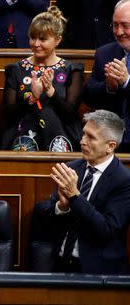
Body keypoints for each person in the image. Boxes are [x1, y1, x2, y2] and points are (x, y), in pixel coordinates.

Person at [35, 110, 130, 273]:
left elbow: (107, 229)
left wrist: (74, 196)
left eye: (91, 137)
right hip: (60, 264)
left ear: (110, 146)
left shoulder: (123, 180)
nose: (82, 141)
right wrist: (61, 207)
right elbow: (48, 222)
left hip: (99, 272)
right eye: (83, 134)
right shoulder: (71, 168)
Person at [1, 7, 84, 152]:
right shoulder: (16, 69)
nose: (36, 44)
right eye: (33, 38)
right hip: (23, 140)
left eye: (43, 39)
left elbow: (70, 114)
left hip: (61, 137)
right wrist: (33, 97)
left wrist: (51, 92)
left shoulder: (72, 70)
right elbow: (8, 114)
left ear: (57, 40)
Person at [83, 0, 130, 151]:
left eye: (125, 26)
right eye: (115, 25)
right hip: (108, 142)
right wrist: (109, 87)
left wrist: (127, 82)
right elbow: (88, 96)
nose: (119, 32)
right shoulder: (105, 53)